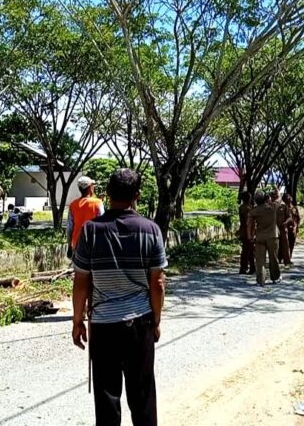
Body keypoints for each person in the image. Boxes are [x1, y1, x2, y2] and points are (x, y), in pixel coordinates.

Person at [71, 168, 167, 426]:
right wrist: (156, 321)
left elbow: (80, 283)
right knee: (142, 396)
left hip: (103, 326)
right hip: (139, 323)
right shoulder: (151, 230)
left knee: (107, 398)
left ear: (107, 193)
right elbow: (157, 283)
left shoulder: (90, 231)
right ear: (137, 195)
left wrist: (77, 321)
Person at [247, 191, 282, 286]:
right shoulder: (272, 207)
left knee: (260, 259)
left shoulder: (254, 210)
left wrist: (250, 236)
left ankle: (261, 279)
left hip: (260, 237)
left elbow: (249, 224)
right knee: (273, 258)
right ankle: (275, 277)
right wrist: (278, 192)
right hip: (272, 236)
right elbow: (279, 200)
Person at [66, 176, 105, 259]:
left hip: (77, 245)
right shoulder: (97, 203)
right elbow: (103, 224)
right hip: (94, 244)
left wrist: (69, 245)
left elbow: (69, 228)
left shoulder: (73, 205)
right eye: (92, 185)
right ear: (89, 188)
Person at [238, 191, 256, 275]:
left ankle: (250, 267)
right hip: (247, 231)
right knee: (247, 250)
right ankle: (246, 267)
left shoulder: (244, 207)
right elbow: (247, 222)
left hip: (246, 231)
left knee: (249, 250)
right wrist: (249, 233)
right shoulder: (246, 209)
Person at [285, 193, 302, 260]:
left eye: (289, 199)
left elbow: (298, 218)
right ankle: (283, 257)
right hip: (285, 228)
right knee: (285, 243)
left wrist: (297, 227)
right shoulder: (283, 208)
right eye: (287, 200)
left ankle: (290, 256)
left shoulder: (294, 208)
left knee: (291, 243)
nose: (288, 201)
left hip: (293, 229)